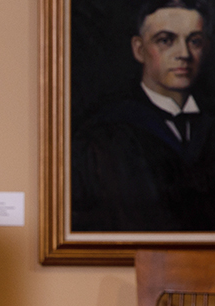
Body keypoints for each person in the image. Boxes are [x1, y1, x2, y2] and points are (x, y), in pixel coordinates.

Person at [72, 0, 215, 231]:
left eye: (194, 41)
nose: (184, 54)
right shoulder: (102, 136)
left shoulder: (208, 127)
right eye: (166, 40)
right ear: (139, 49)